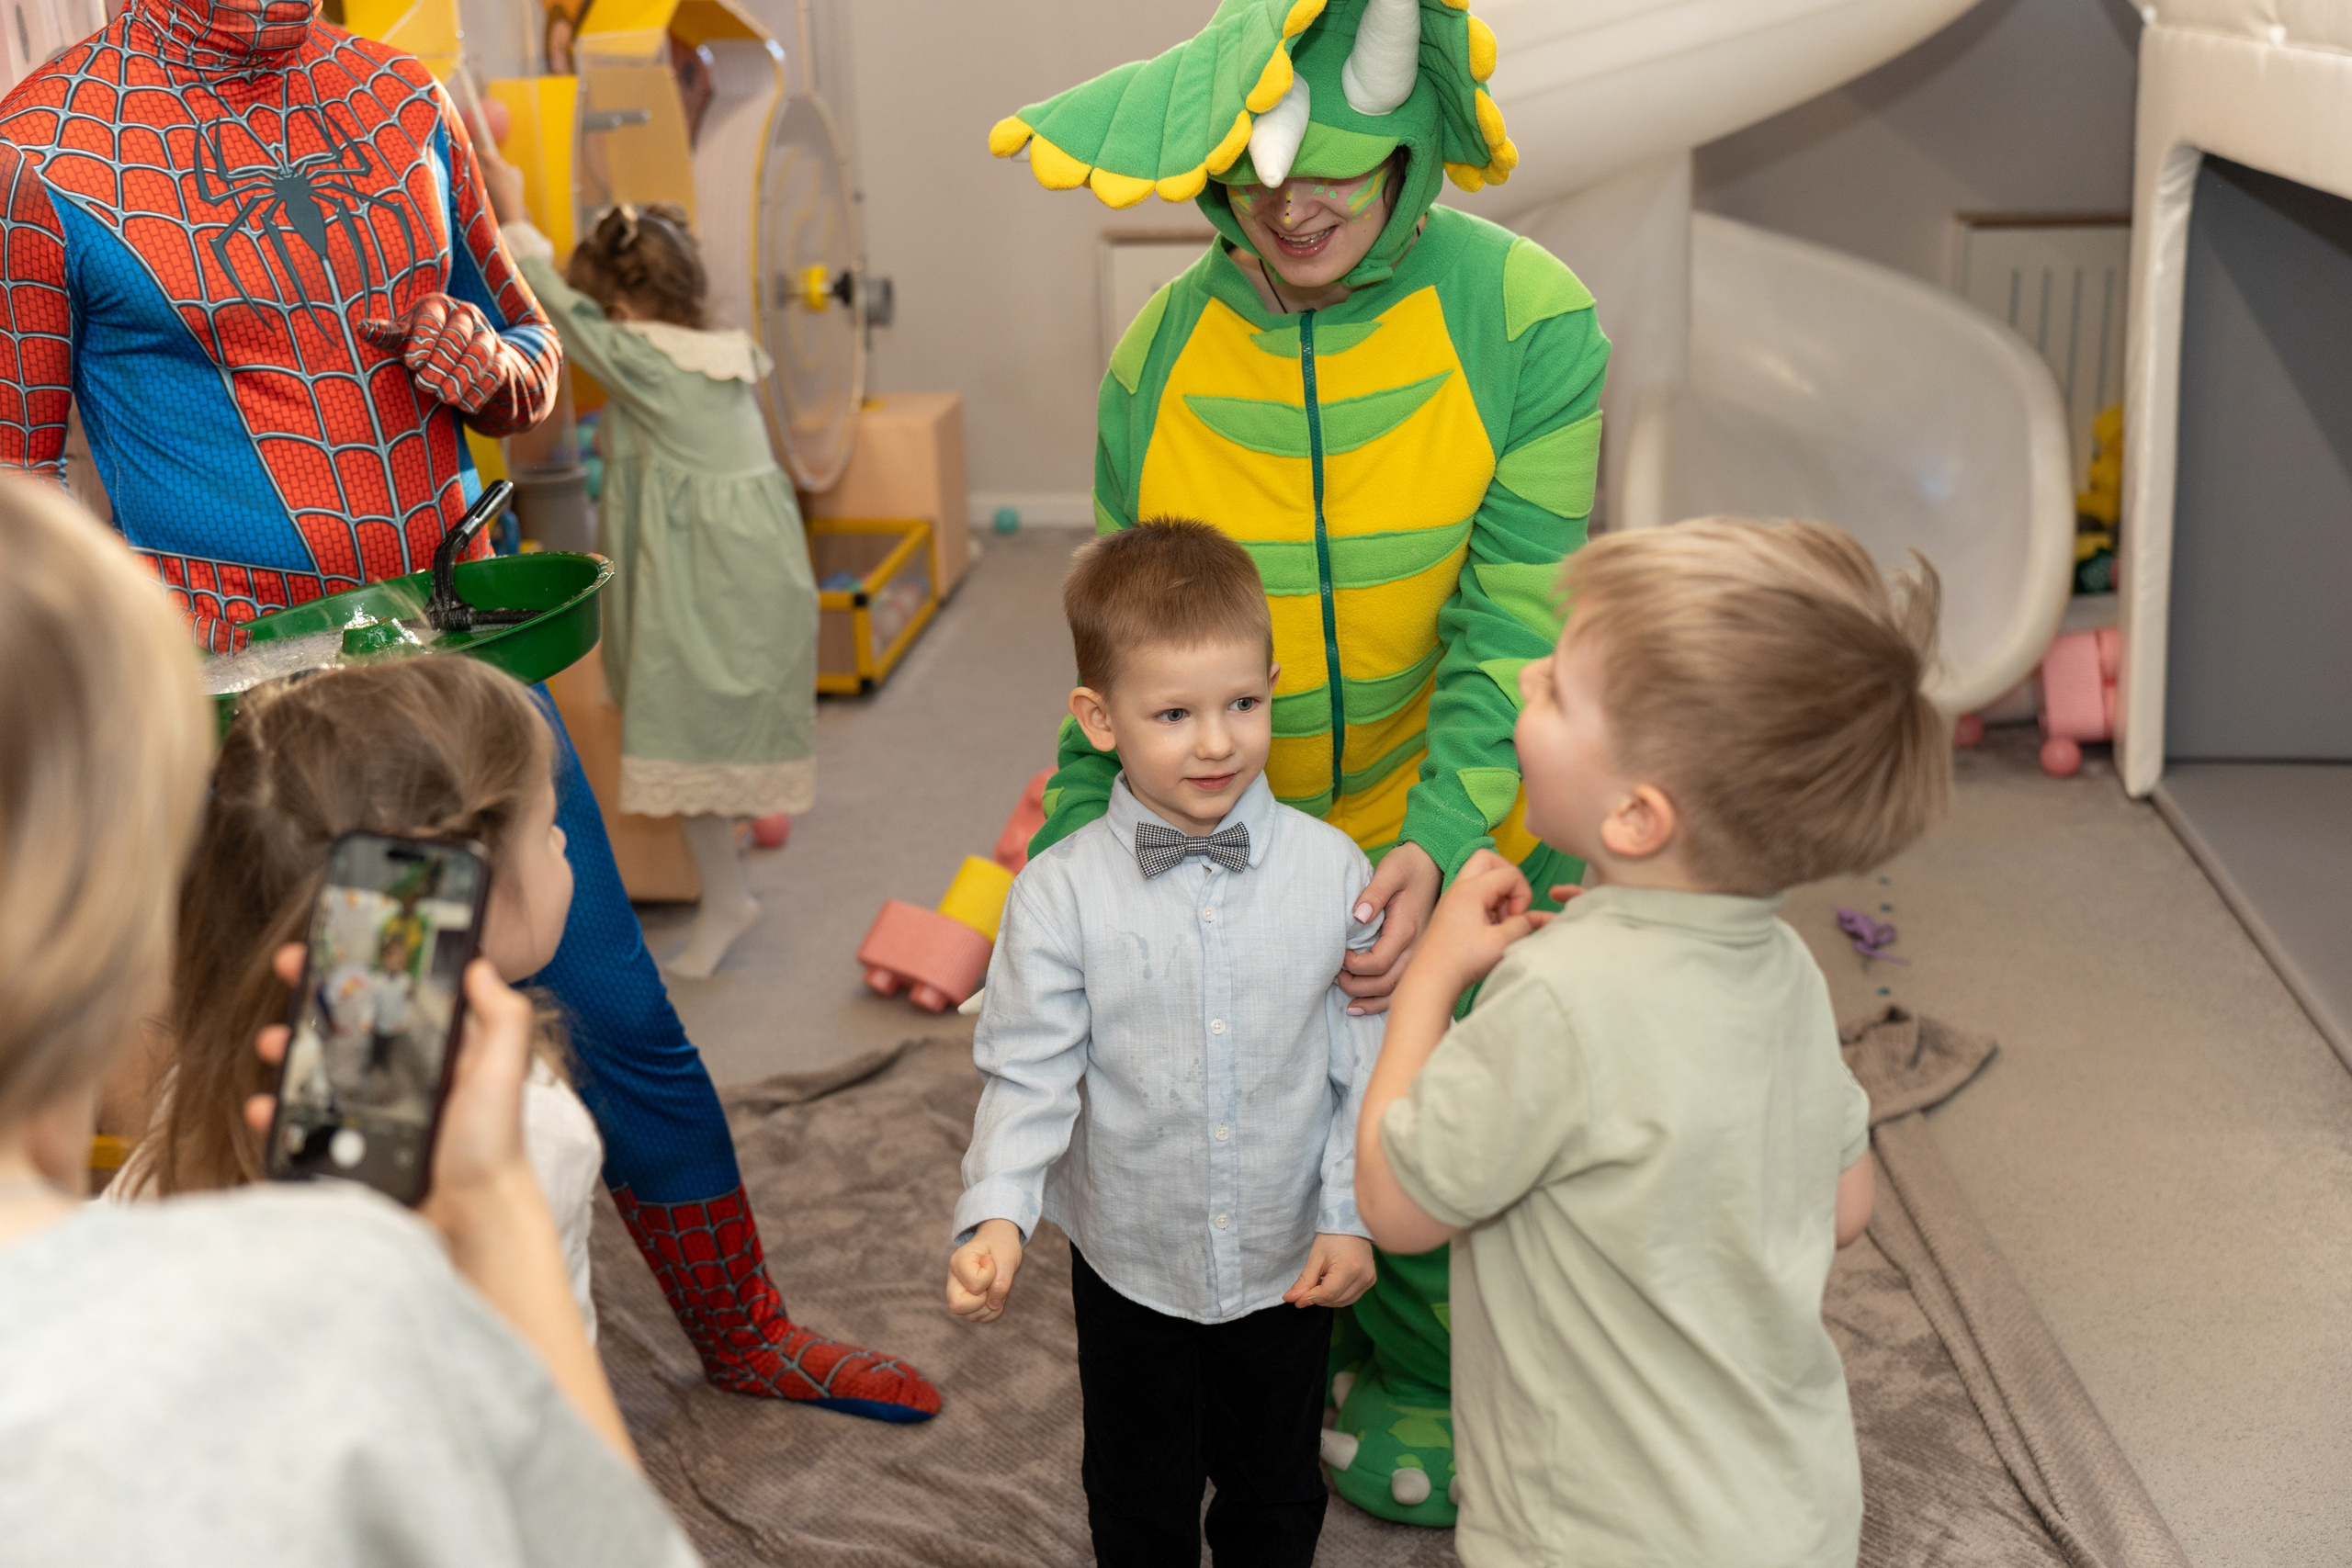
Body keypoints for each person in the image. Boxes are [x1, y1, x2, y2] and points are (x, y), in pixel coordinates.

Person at [0, 0, 933, 1420]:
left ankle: (745, 1327)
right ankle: (373, 1420)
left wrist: (493, 369)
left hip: (460, 650)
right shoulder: (42, 147)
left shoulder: (402, 94)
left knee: (617, 1006)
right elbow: (20, 506)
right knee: (357, 1072)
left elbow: (534, 356)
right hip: (266, 706)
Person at [989, 0, 1609, 1512]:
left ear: (1415, 139)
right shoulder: (1159, 356)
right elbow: (1128, 650)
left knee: (1446, 1131)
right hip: (1226, 826)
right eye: (1256, 164)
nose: (1291, 199)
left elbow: (1510, 628)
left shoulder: (1531, 319)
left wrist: (1440, 845)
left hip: (1453, 811)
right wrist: (1065, 876)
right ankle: (1294, 1333)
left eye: (1334, 158)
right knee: (1215, 1110)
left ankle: (1424, 1369)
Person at [0, 478, 699, 1566]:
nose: (564, 841)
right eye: (546, 824)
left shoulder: (183, 1130)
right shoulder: (487, 1161)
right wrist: (500, 1219)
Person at [1354, 517, 1951, 1567]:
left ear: (1635, 818)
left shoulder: (1553, 998)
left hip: (1592, 1536)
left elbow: (1398, 1207)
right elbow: (1845, 1208)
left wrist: (1430, 984)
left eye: (1555, 689)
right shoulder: (1790, 969)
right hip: (1792, 1516)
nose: (1526, 675)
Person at [946, 520, 1385, 1567]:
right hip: (1130, 1261)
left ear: (1272, 688)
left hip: (1285, 1257)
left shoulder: (1333, 872)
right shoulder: (1056, 894)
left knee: (1276, 1489)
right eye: (1175, 714)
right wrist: (999, 1212)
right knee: (1136, 1494)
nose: (1217, 743)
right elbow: (1029, 1070)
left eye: (1243, 705)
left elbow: (1360, 1069)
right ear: (1099, 719)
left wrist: (1349, 1213)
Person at [114, 656, 612, 1339]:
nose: (561, 839)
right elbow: (536, 1366)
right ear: (463, 889)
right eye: (546, 826)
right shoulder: (527, 1129)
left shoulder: (201, 1083)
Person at [473, 140, 818, 985]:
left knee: (683, 731)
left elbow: (558, 312)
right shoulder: (710, 352)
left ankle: (726, 898)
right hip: (737, 573)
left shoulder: (649, 362)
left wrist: (511, 208)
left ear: (624, 309)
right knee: (703, 730)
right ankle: (728, 871)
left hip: (703, 585)